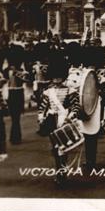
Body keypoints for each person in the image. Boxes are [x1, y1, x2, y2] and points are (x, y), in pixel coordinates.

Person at [37, 55, 80, 187]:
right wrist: (40, 117)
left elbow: (76, 106)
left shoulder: (70, 90)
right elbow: (43, 106)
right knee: (55, 148)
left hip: (64, 120)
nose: (56, 79)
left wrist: (71, 116)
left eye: (59, 77)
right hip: (51, 120)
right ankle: (59, 172)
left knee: (63, 148)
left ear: (63, 76)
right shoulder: (48, 92)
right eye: (55, 77)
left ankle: (62, 173)